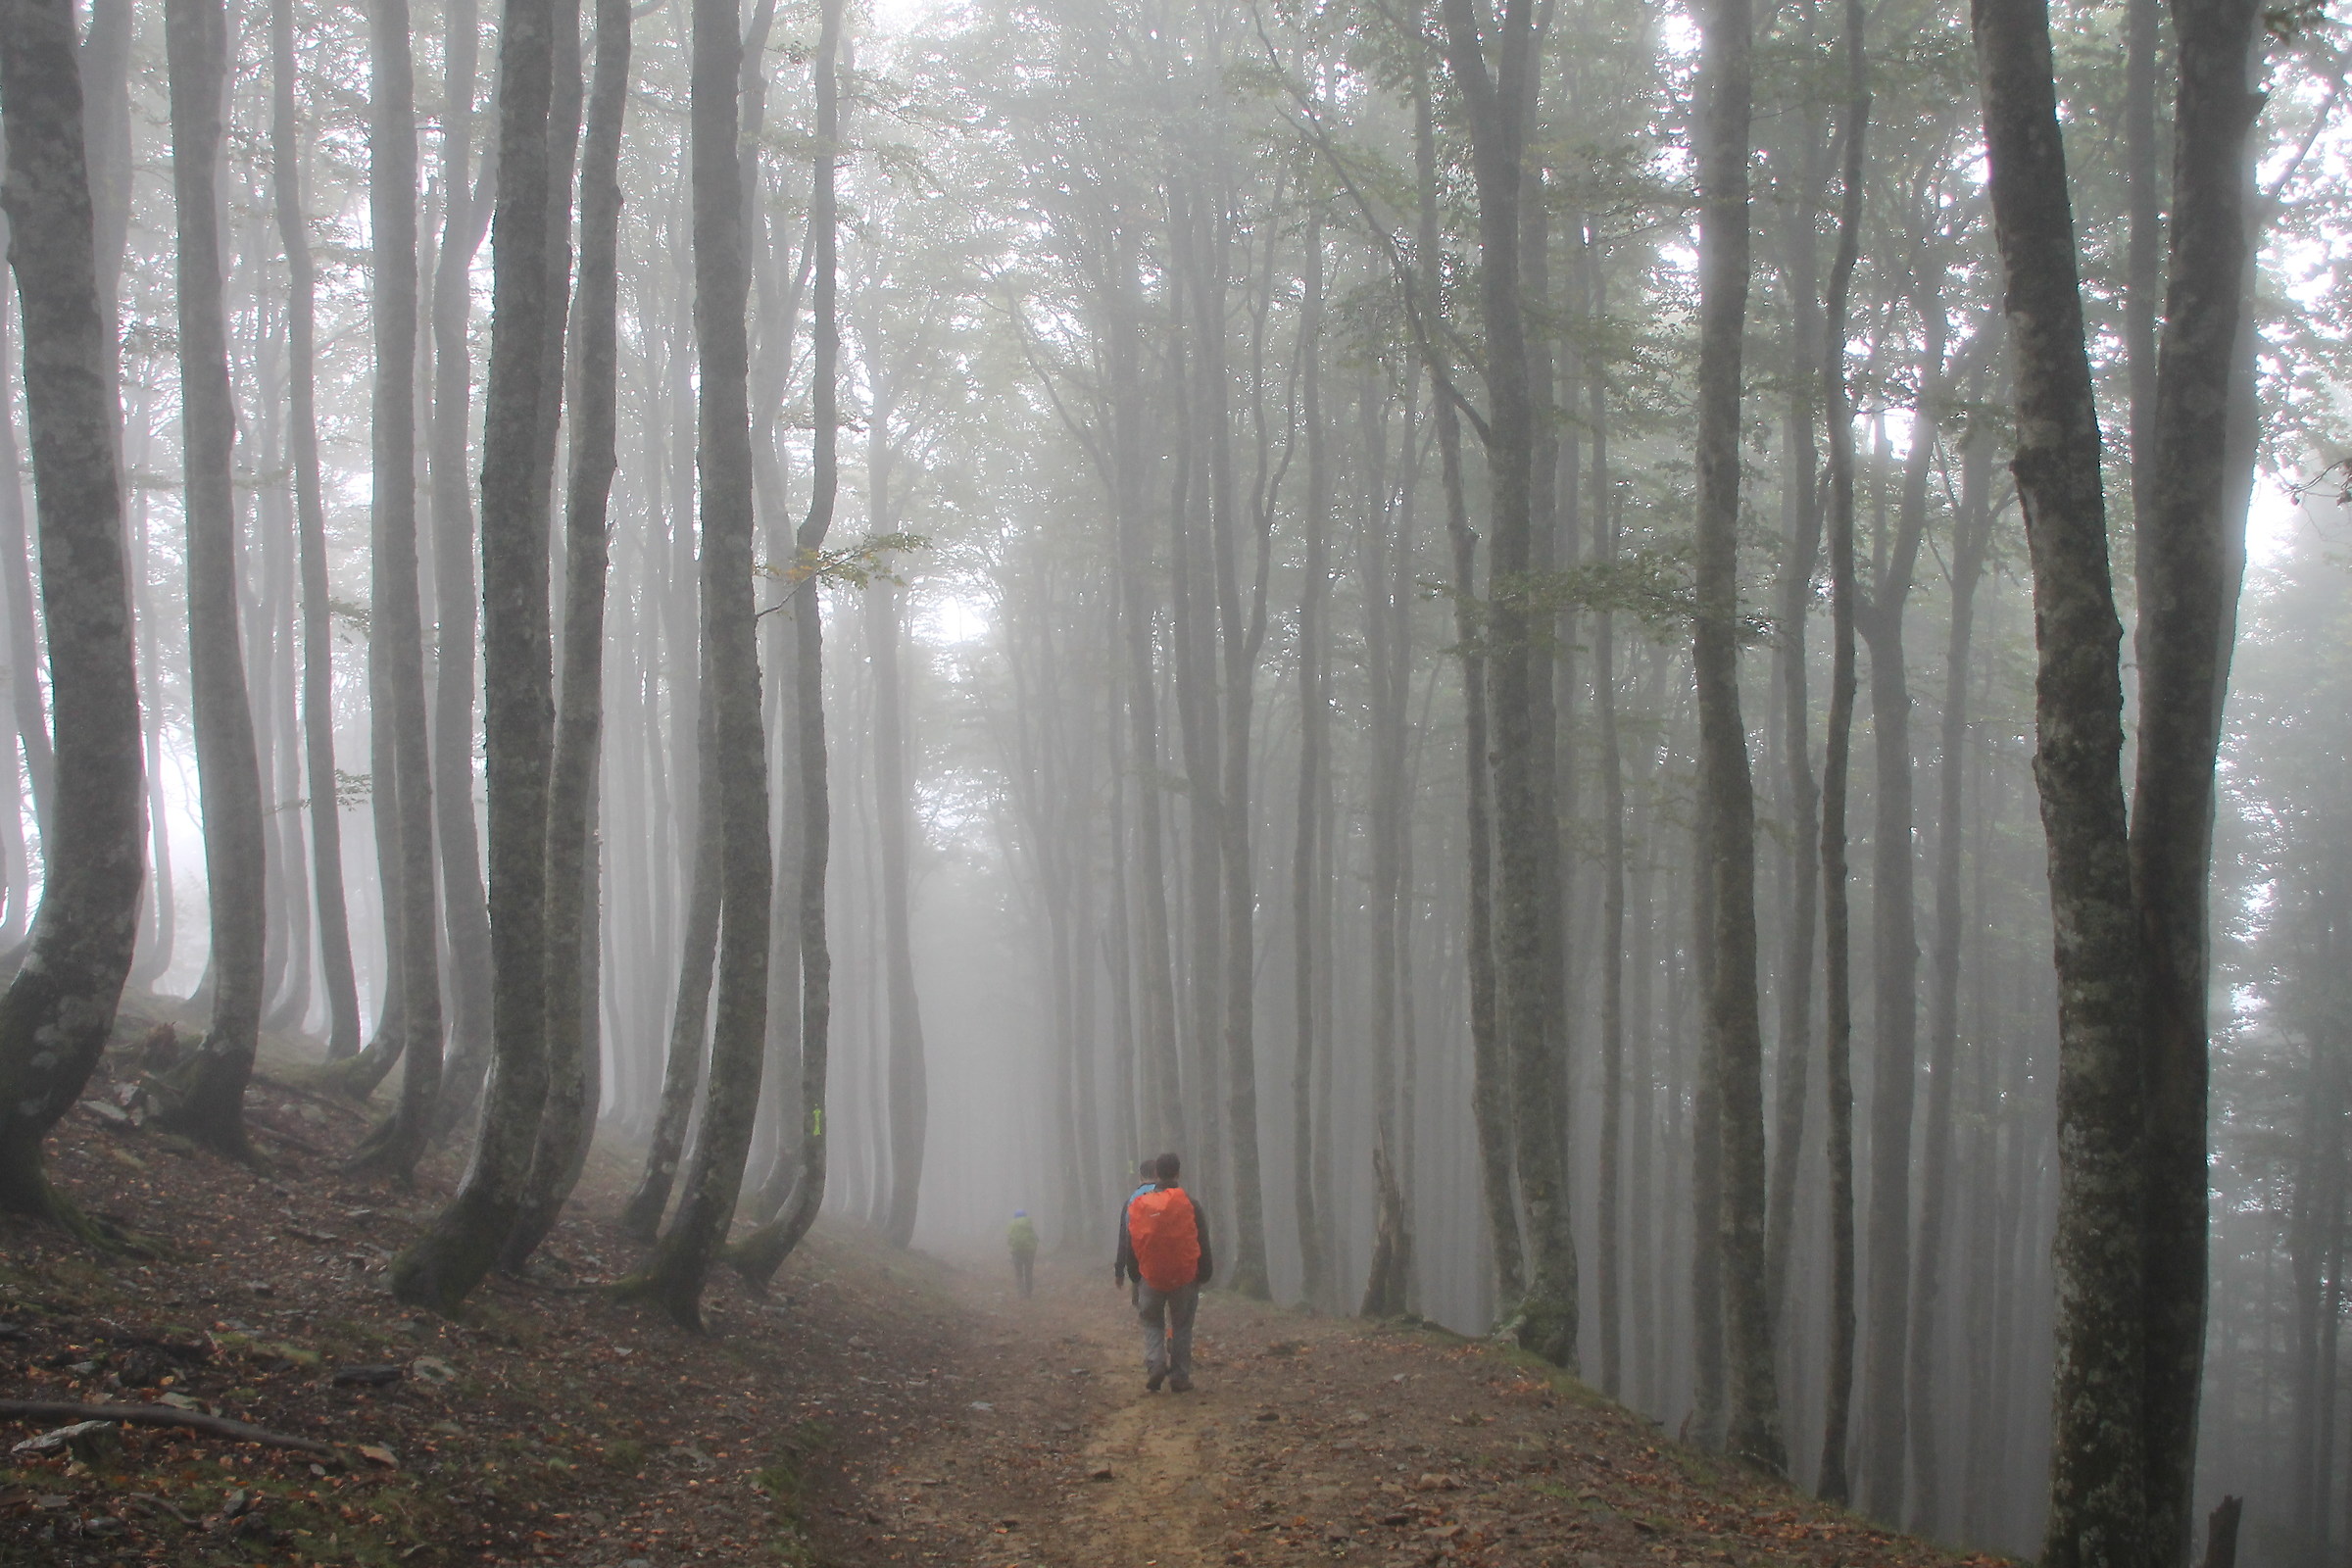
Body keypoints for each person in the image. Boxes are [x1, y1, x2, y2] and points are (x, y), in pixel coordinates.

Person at [1113, 1152, 1211, 1393]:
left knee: (1152, 1323)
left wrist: (1134, 1274)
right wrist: (1205, 1271)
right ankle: (1179, 1376)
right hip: (1184, 1276)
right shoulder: (1189, 1202)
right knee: (1182, 1326)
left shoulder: (1140, 1204)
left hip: (1150, 1276)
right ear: (1178, 1172)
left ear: (1157, 1173)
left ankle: (1156, 1363)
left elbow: (1131, 1241)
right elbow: (1202, 1239)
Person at [1006, 1210, 1039, 1298]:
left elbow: (1009, 1238)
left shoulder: (1012, 1225)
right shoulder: (1028, 1224)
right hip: (1029, 1251)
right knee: (1028, 1271)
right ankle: (1029, 1292)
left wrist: (1012, 1248)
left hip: (1016, 1252)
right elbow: (1035, 1237)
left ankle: (1020, 1293)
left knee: (1018, 1273)